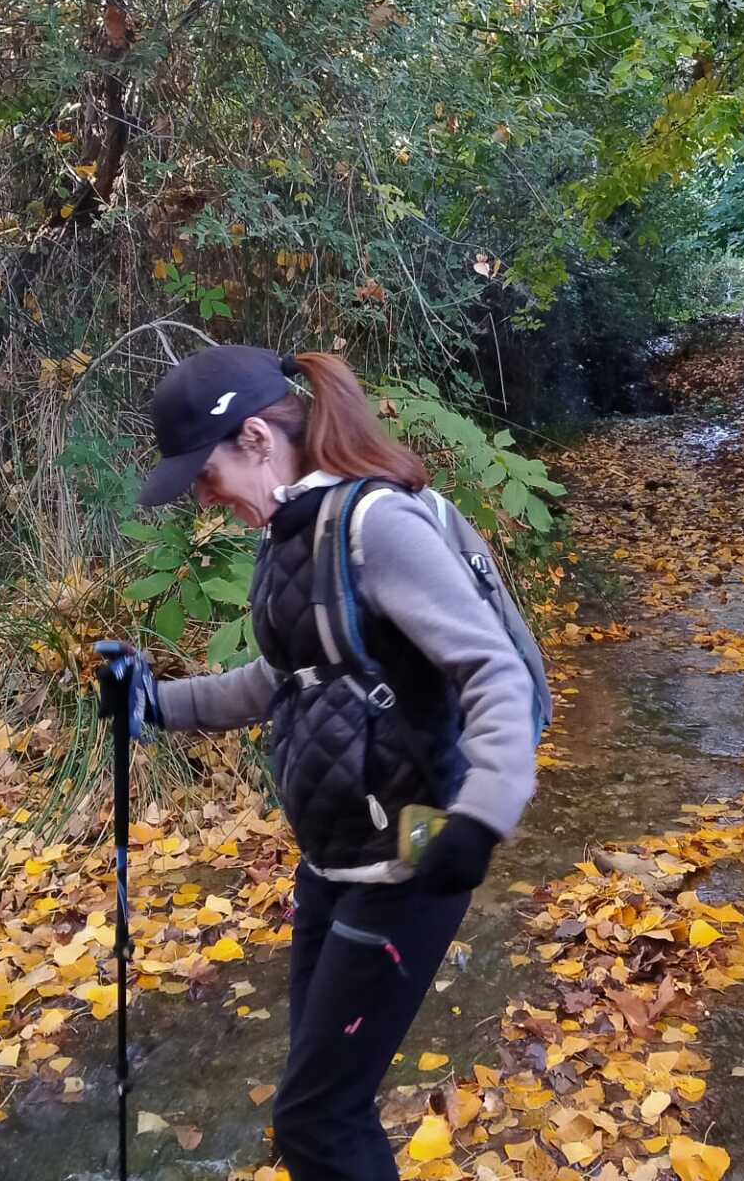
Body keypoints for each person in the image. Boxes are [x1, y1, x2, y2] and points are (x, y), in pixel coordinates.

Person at [132, 344, 539, 1181]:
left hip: (411, 863)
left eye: (205, 475)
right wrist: (153, 703)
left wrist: (482, 817)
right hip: (335, 861)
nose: (204, 498)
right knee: (317, 1107)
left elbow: (490, 668)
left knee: (318, 1119)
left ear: (255, 438)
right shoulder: (294, 532)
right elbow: (284, 678)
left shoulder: (374, 525)